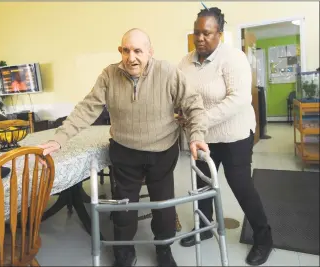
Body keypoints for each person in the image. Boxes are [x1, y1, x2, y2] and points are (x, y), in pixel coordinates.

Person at [39, 28, 209, 267]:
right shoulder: (109, 75)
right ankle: (123, 251)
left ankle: (163, 248)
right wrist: (60, 138)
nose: (131, 58)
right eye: (126, 50)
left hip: (162, 151)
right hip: (125, 152)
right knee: (123, 207)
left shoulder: (168, 72)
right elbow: (87, 108)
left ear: (150, 52)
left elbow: (193, 104)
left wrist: (196, 135)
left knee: (163, 206)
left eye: (138, 51)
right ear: (120, 51)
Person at [177, 7, 273, 266]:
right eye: (197, 32)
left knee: (240, 185)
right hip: (202, 137)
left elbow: (239, 99)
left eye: (206, 33)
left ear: (219, 34)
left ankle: (264, 238)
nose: (200, 38)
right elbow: (179, 93)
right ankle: (206, 228)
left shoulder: (233, 58)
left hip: (234, 136)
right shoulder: (185, 62)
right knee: (203, 185)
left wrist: (199, 119)